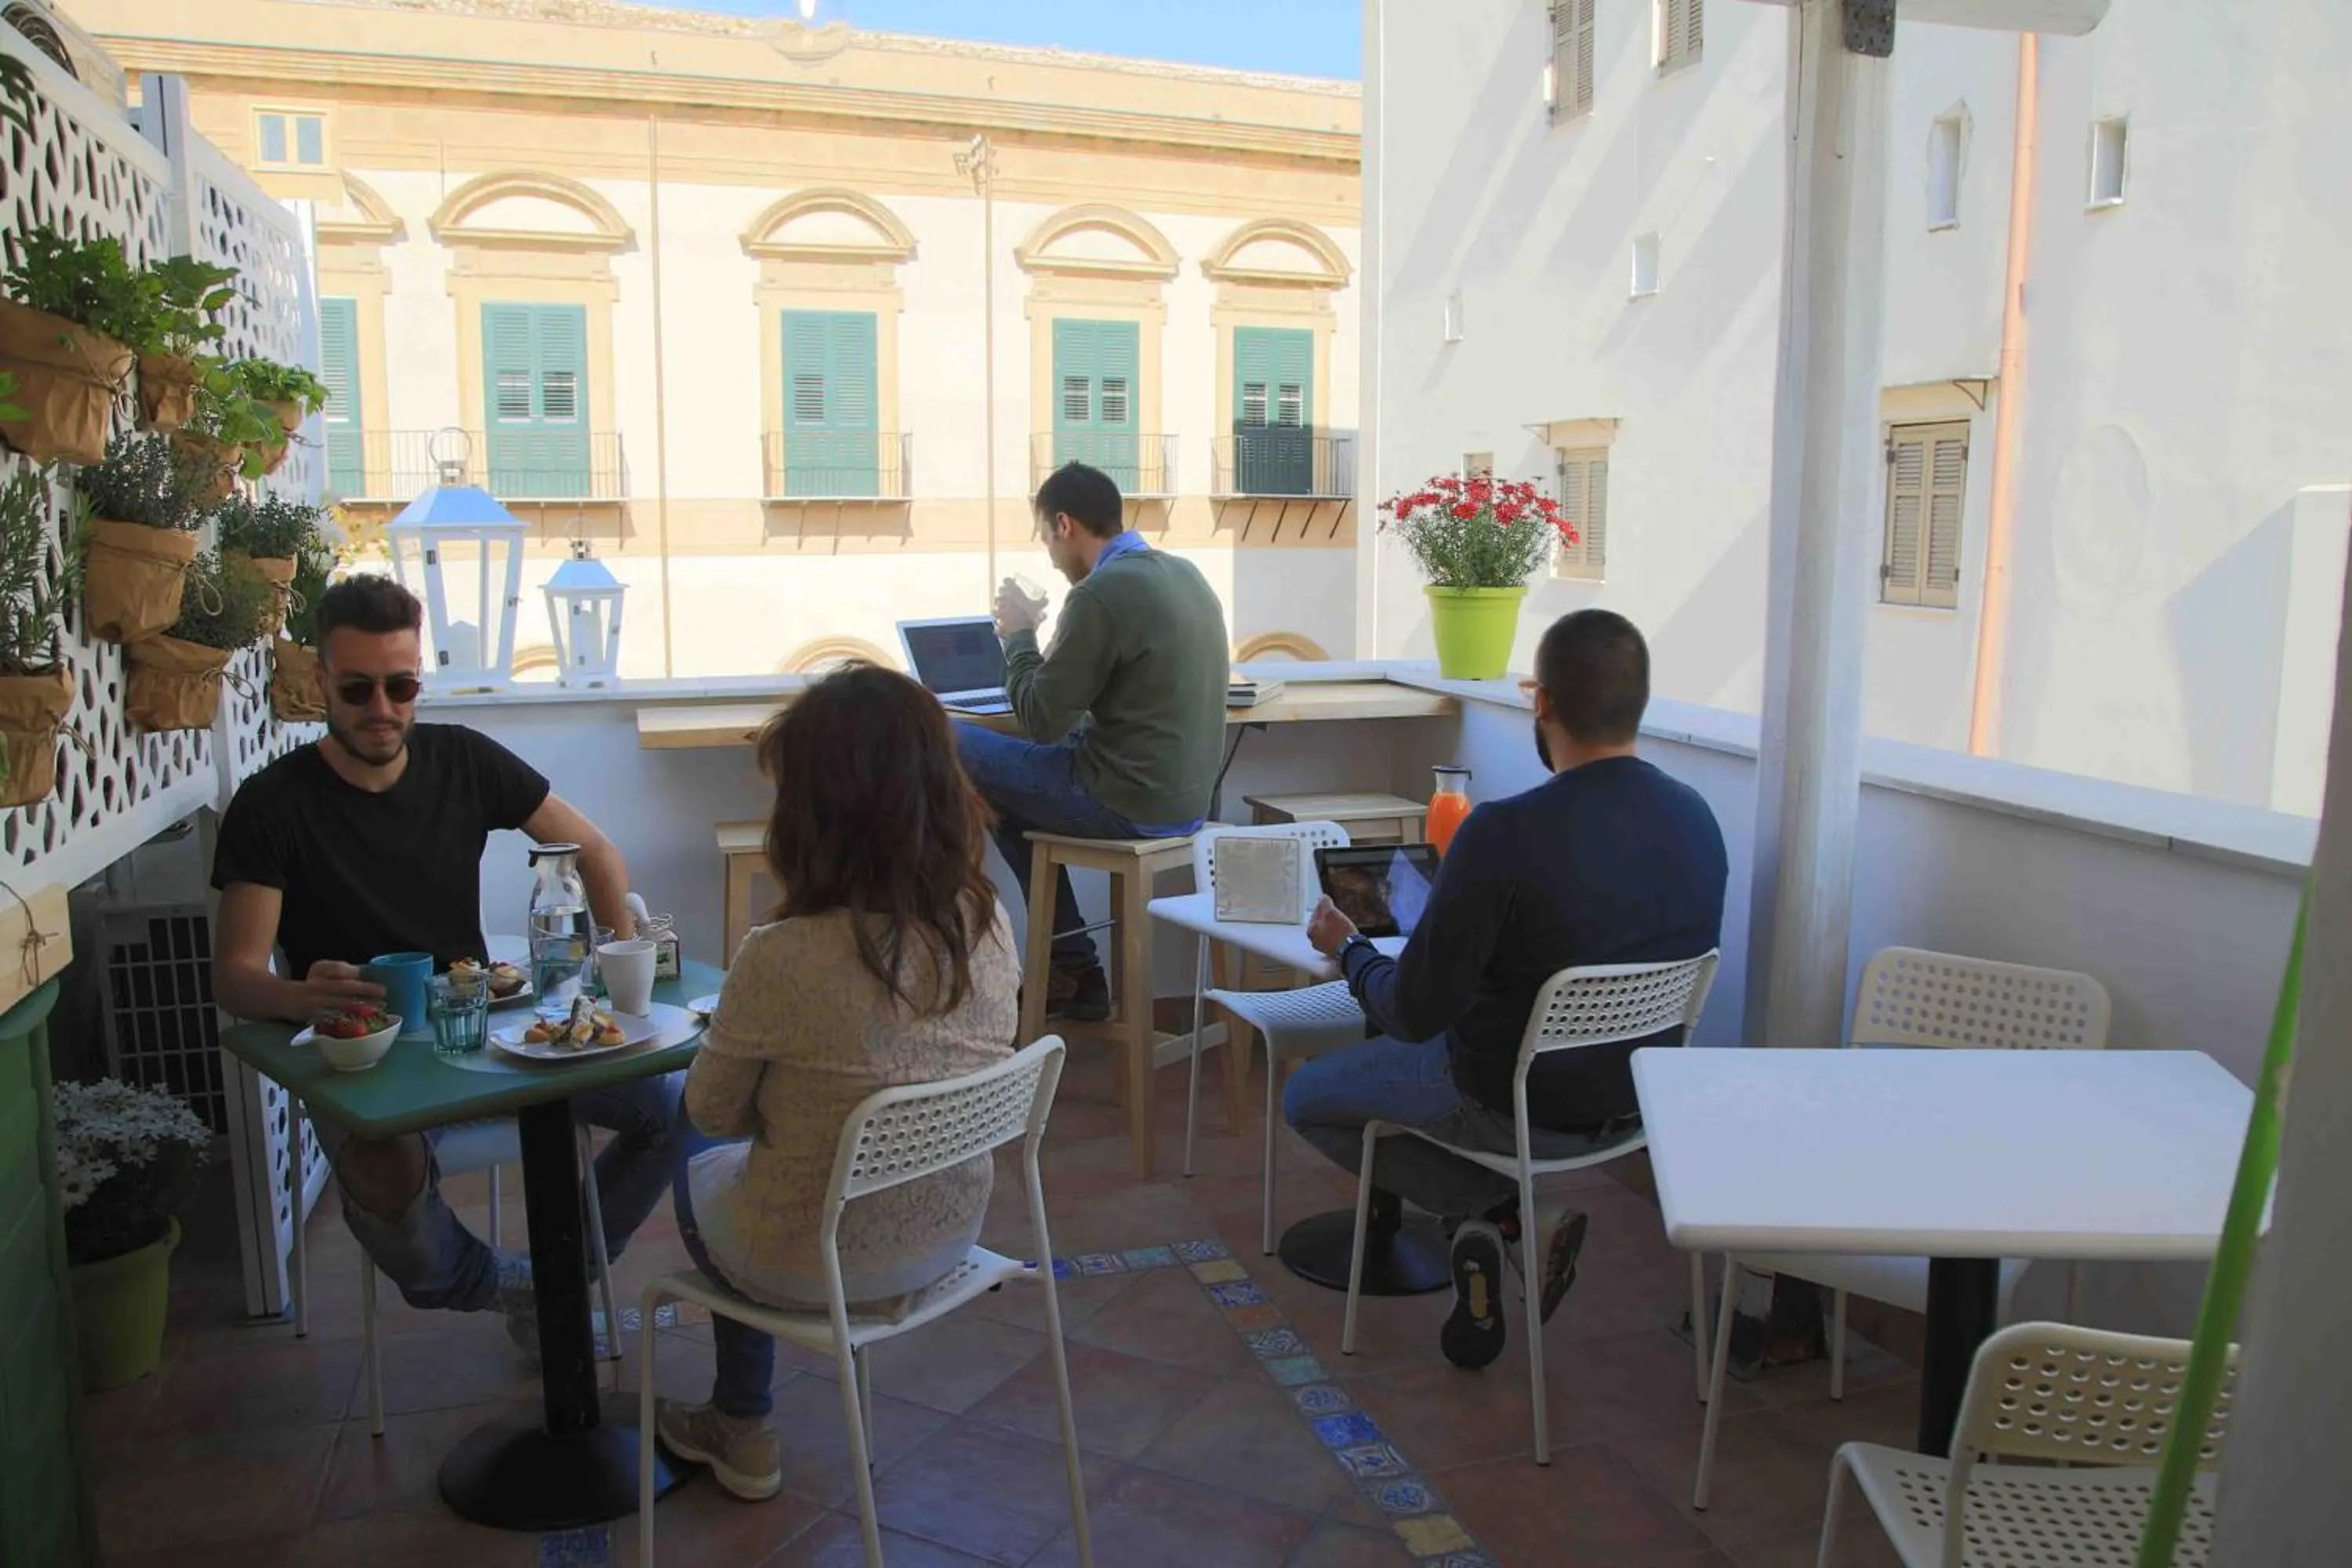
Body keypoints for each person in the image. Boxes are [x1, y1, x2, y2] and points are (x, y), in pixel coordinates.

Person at [211, 575, 678, 1348]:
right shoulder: (273, 804)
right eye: (358, 689)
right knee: (382, 1171)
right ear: (320, 680)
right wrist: (297, 996)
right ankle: (527, 1290)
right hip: (368, 1056)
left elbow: (593, 849)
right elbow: (234, 976)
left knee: (671, 1104)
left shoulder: (459, 757)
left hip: (487, 1037)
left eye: (401, 686)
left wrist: (615, 956)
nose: (382, 708)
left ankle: (562, 1276)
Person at [1287, 609, 1727, 1370]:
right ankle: (1499, 1226)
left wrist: (1349, 949)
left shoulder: (1504, 831)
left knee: (1307, 1096)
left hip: (1510, 1101)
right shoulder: (1697, 817)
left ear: (1541, 702)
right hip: (1637, 1102)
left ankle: (1495, 1214)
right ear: (1640, 703)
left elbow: (1411, 1012)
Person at [655, 664, 1018, 1501]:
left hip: (807, 1260)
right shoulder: (988, 921)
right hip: (949, 1240)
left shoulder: (782, 954)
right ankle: (741, 1417)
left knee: (691, 1144)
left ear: (814, 814)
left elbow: (711, 1112)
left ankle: (741, 1420)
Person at [953, 460, 1229, 1021]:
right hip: (1189, 805)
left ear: (1065, 525)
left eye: (1046, 540)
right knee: (1001, 799)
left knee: (936, 732)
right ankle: (1074, 974)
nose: (1052, 558)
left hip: (1124, 802)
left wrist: (1019, 634)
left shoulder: (1100, 594)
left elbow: (1041, 720)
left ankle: (1062, 968)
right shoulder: (1186, 575)